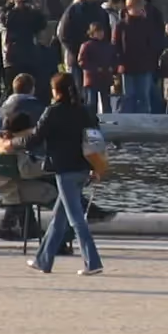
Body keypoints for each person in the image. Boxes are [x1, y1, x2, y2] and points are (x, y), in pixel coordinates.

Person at [28, 73, 104, 276]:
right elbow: (95, 138)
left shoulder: (53, 111)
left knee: (76, 219)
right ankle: (43, 260)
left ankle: (93, 262)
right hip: (83, 168)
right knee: (59, 218)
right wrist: (97, 167)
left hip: (64, 169)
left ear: (56, 91)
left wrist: (15, 140)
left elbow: (35, 139)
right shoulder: (84, 111)